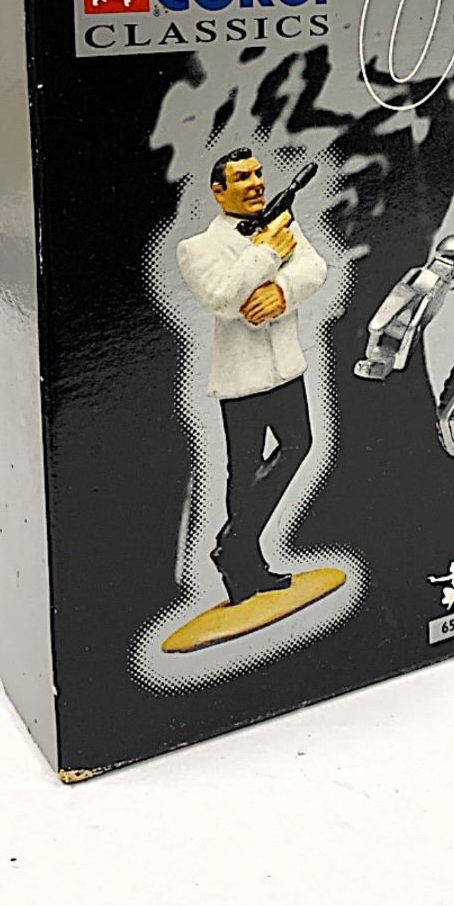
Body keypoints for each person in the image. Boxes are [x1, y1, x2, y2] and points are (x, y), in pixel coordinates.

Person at [176, 147, 329, 606]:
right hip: (241, 376)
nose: (256, 183)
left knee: (298, 444)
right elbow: (222, 298)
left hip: (284, 366)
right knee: (243, 469)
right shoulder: (198, 248)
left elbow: (314, 268)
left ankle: (234, 543)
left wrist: (283, 290)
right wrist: (265, 254)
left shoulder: (281, 225)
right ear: (218, 190)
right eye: (242, 177)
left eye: (258, 174)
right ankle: (246, 571)